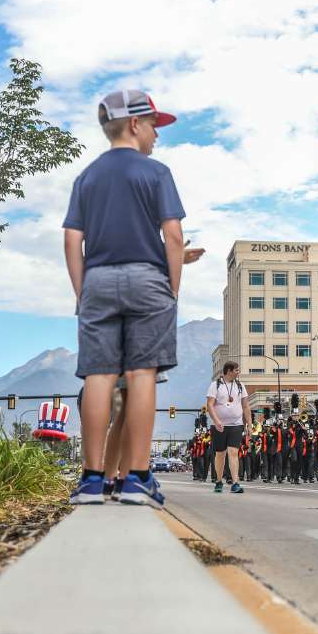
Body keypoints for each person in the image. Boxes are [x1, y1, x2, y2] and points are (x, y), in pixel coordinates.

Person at [66, 89, 183, 508]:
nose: (157, 135)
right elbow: (172, 235)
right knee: (141, 375)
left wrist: (84, 292)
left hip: (96, 278)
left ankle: (91, 481)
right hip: (147, 278)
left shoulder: (87, 177)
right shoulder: (155, 173)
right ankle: (136, 479)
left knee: (97, 375)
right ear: (135, 124)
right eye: (154, 125)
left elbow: (72, 239)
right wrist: (172, 289)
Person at [205, 361, 250, 494]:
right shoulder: (216, 385)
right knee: (220, 454)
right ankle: (219, 481)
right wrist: (217, 421)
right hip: (219, 426)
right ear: (229, 371)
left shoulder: (241, 386)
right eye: (236, 370)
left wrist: (249, 425)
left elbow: (246, 406)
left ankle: (235, 483)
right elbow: (210, 405)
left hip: (236, 424)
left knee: (233, 453)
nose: (238, 372)